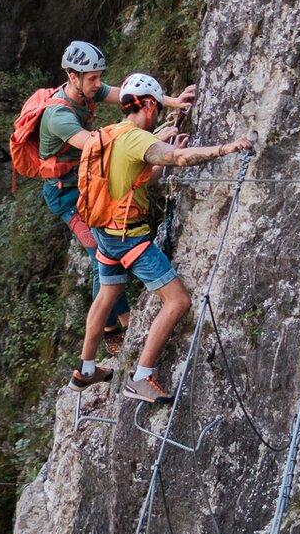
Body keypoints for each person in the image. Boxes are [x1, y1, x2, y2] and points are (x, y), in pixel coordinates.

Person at [70, 73, 253, 401]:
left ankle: (85, 369)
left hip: (105, 232)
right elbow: (179, 158)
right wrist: (228, 147)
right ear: (151, 104)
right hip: (129, 238)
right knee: (178, 300)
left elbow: (142, 177)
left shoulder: (112, 134)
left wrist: (165, 156)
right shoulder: (138, 139)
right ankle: (141, 376)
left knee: (107, 295)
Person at [38, 41, 194, 351]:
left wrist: (173, 102)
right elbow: (101, 145)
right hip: (66, 195)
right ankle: (118, 327)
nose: (99, 84)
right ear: (72, 76)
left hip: (90, 186)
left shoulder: (86, 90)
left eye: (99, 77)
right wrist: (150, 140)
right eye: (93, 78)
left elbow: (126, 94)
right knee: (100, 255)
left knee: (106, 254)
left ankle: (117, 321)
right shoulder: (58, 116)